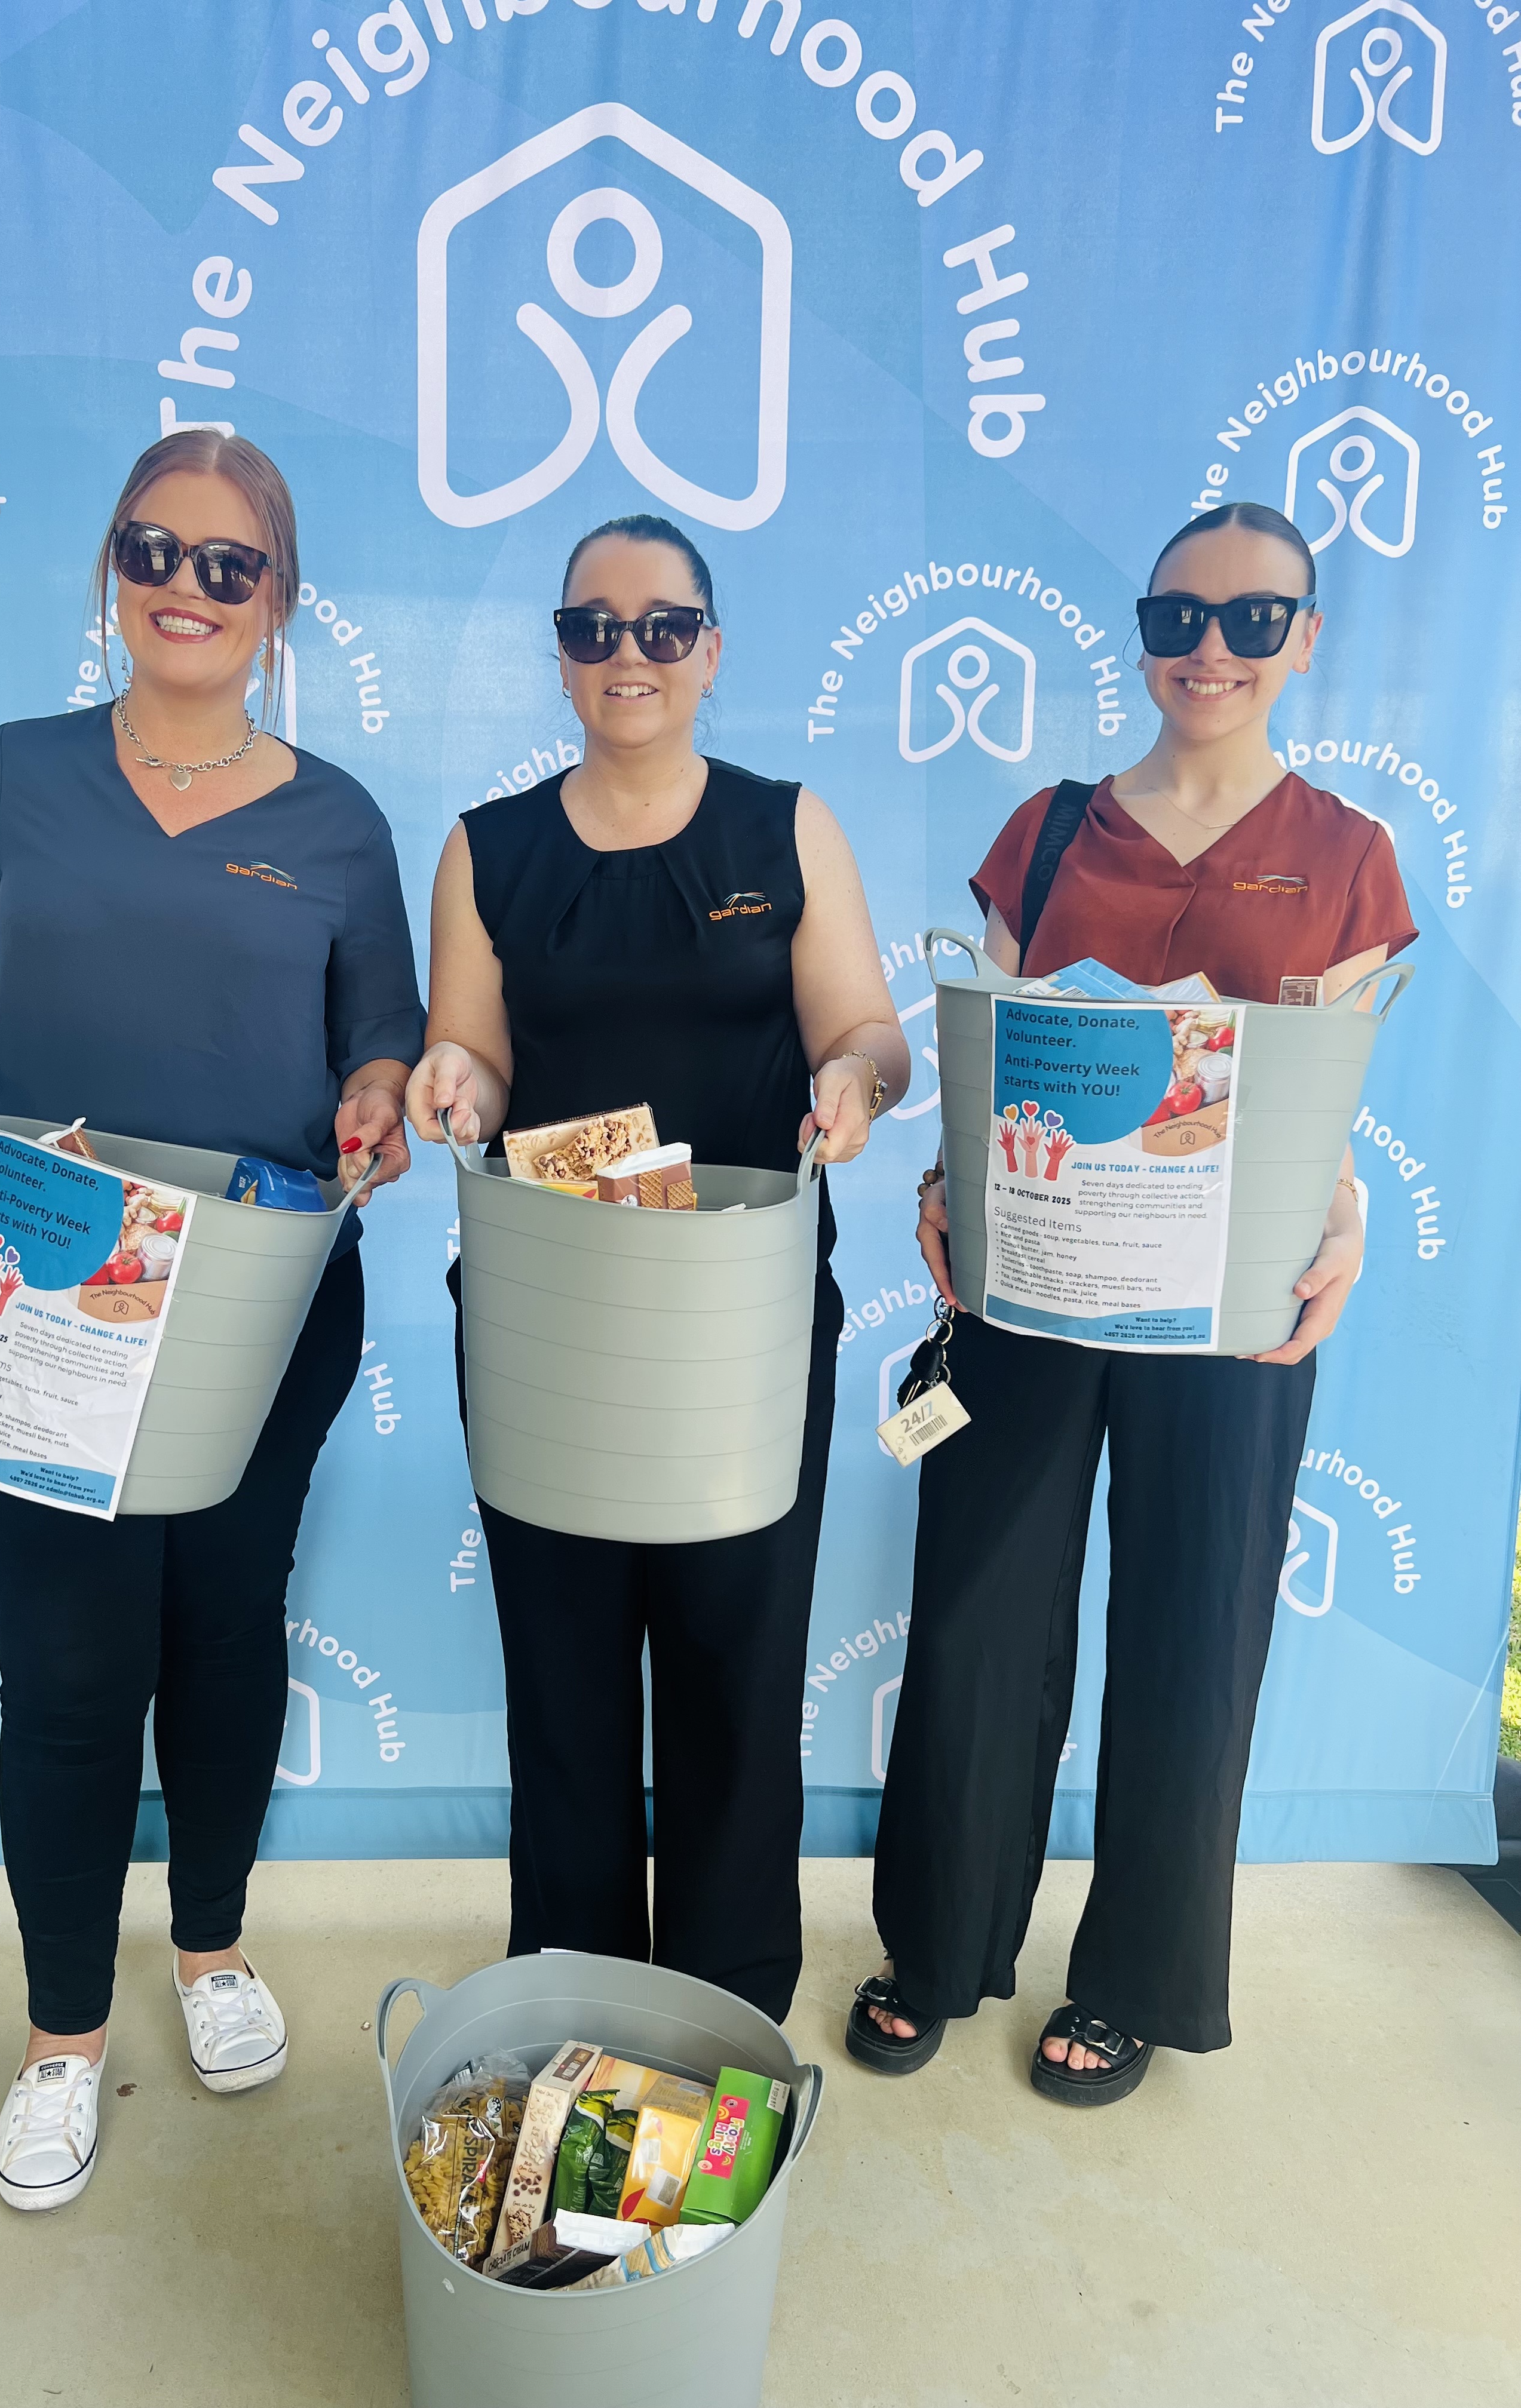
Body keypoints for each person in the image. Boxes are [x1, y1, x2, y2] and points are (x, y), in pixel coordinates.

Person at [0, 431, 425, 2207]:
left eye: (226, 565)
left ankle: (209, 1949)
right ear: (110, 566)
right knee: (73, 1671)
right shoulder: (16, 773)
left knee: (225, 1633)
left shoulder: (337, 817)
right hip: (49, 1283)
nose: (183, 589)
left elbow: (381, 1039)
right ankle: (59, 2037)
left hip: (261, 1302)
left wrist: (375, 1102)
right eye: (149, 550)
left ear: (279, 601)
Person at [852, 501, 1416, 2101]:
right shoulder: (1045, 834)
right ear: (1145, 634)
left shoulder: (1351, 858)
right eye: (1181, 619)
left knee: (1193, 1639)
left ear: (1304, 639)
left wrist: (1352, 1212)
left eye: (1254, 621)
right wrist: (947, 1183)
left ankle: (1138, 1985)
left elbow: (1330, 1103)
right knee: (977, 1630)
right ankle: (940, 1946)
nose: (1212, 652)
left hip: (1230, 1323)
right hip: (1035, 1304)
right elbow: (989, 1065)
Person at [405, 512, 909, 2023]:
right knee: (560, 1690)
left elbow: (864, 1028)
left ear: (711, 648)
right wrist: (451, 1083)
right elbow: (473, 1054)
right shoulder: (489, 849)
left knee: (735, 1678)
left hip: (738, 1334)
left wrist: (859, 1085)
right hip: (548, 1325)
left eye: (662, 626)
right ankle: (569, 2012)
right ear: (559, 653)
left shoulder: (785, 828)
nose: (628, 655)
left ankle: (727, 2012)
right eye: (593, 627)